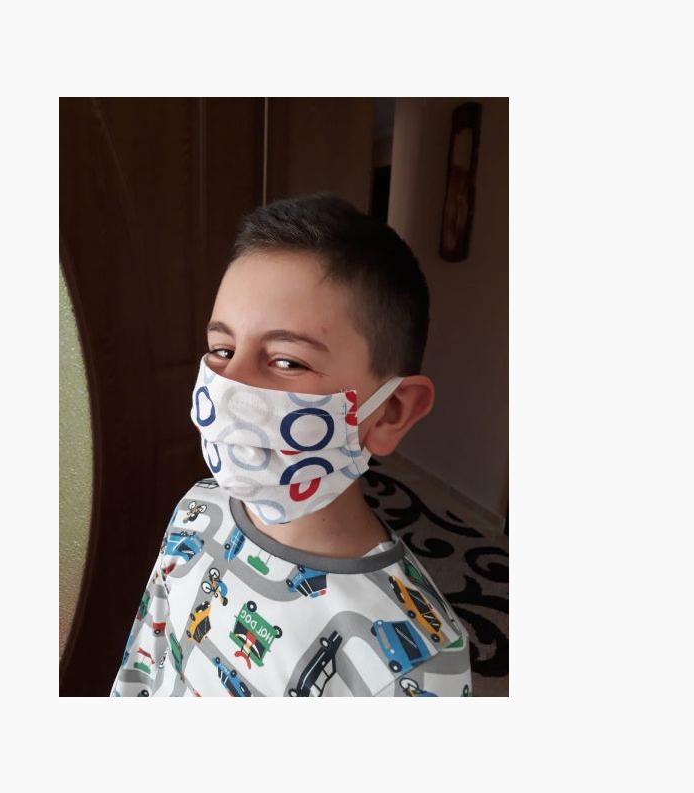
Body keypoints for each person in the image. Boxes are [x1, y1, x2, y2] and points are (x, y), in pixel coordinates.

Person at [109, 193, 472, 697]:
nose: (229, 387)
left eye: (286, 361)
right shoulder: (196, 511)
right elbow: (142, 669)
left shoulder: (419, 662)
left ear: (390, 412)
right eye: (222, 349)